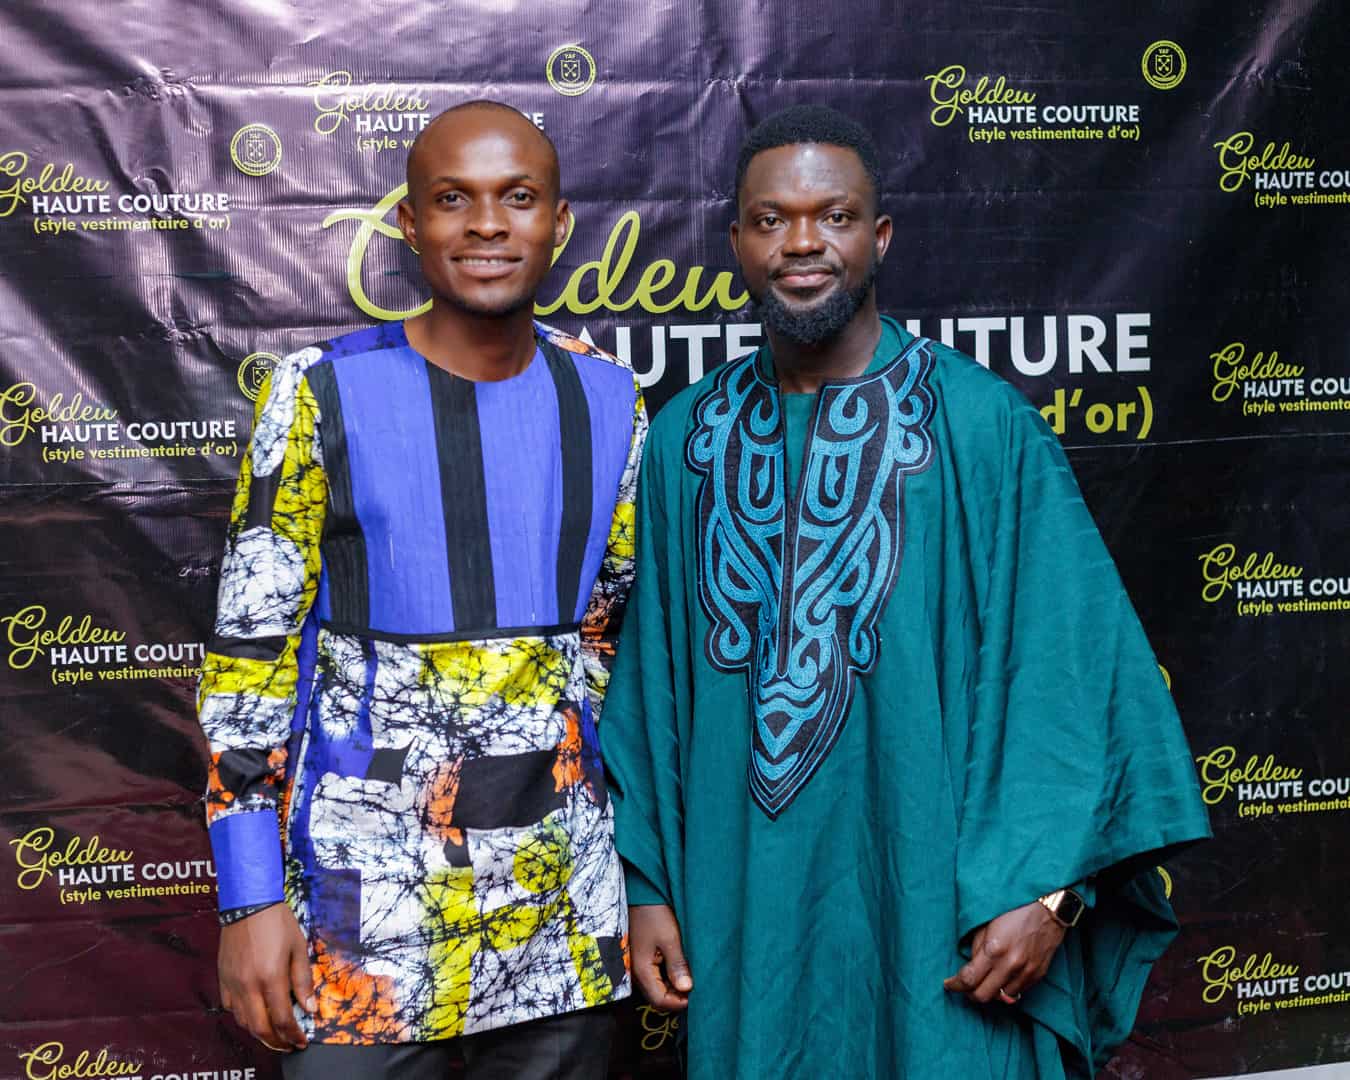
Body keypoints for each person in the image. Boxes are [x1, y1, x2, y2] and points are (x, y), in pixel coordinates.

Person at [599, 104, 1210, 1078]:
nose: (803, 242)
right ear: (737, 242)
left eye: (834, 216)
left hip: (945, 920)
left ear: (879, 236)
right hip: (748, 917)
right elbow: (651, 694)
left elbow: (1068, 672)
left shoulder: (981, 425)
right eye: (772, 219)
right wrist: (647, 886)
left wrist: (1051, 894)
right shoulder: (685, 441)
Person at [196, 100, 645, 1079]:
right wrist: (249, 895)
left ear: (559, 223)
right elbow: (251, 662)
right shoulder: (318, 392)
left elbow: (612, 651)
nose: (487, 225)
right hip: (360, 928)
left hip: (560, 921)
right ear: (408, 222)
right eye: (453, 199)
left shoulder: (612, 400)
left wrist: (642, 885)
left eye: (517, 198)